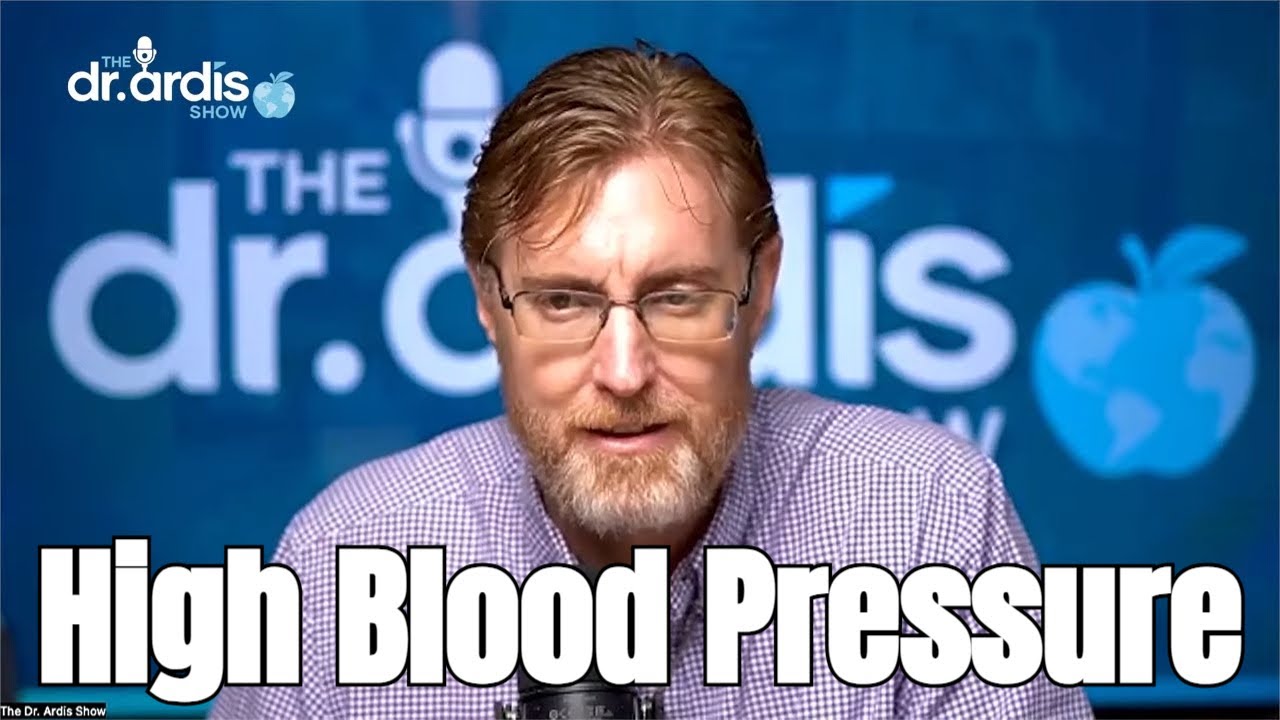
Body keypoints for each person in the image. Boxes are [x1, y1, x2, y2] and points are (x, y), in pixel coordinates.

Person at [210, 43, 1093, 719]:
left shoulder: (929, 522)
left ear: (760, 287)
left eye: (676, 298)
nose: (624, 372)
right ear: (487, 302)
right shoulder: (344, 564)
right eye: (563, 302)